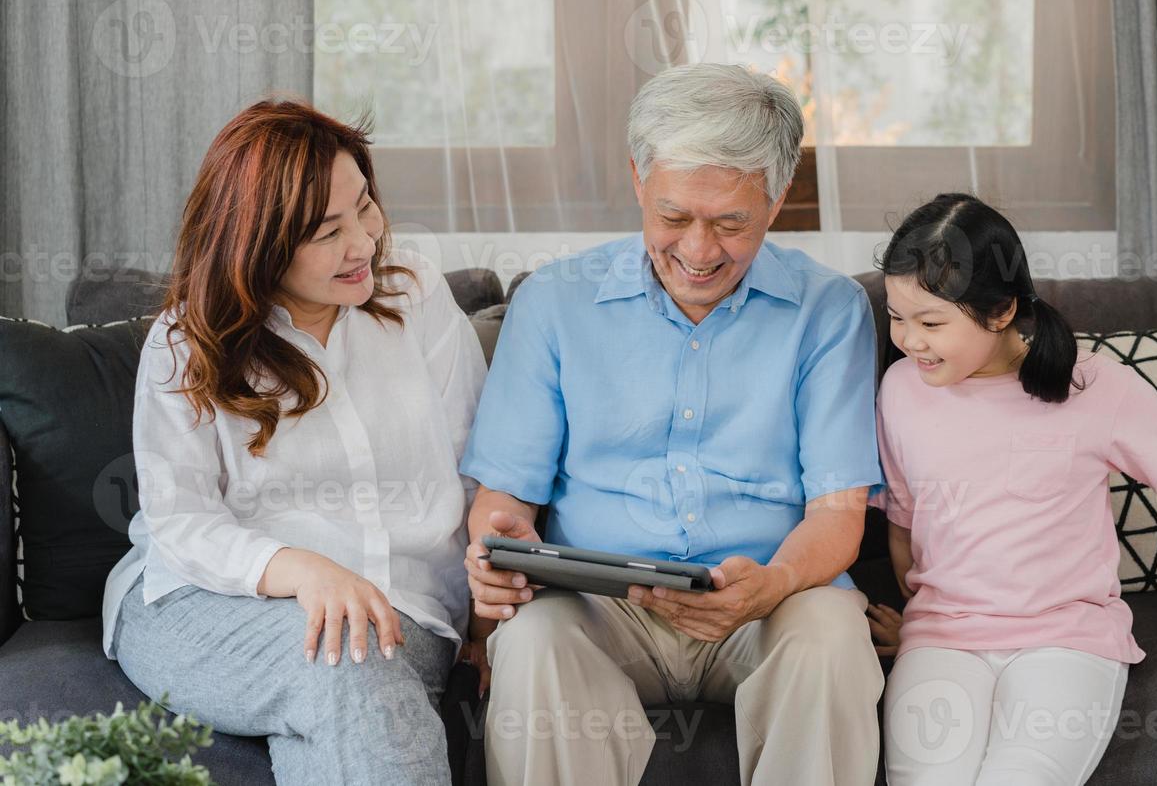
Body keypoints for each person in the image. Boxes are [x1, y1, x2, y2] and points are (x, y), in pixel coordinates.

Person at [460, 62, 886, 785]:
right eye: (674, 217)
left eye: (730, 223)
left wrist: (774, 581)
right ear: (637, 179)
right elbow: (503, 502)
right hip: (600, 614)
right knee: (532, 641)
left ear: (778, 198)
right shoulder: (554, 305)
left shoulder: (830, 310)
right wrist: (498, 550)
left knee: (833, 631)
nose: (697, 251)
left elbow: (839, 515)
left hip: (766, 608)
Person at [102, 100, 486, 786]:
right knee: (351, 668)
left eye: (365, 208)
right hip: (203, 604)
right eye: (328, 232)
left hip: (403, 614)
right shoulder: (188, 341)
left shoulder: (417, 298)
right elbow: (180, 520)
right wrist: (305, 569)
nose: (365, 243)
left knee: (355, 669)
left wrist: (493, 624)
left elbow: (478, 472)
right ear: (259, 246)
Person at [866, 192, 1157, 785]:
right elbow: (905, 521)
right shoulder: (901, 390)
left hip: (1065, 639)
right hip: (943, 639)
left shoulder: (1093, 385)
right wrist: (917, 617)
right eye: (897, 316)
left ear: (1000, 312)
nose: (909, 340)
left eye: (931, 322)